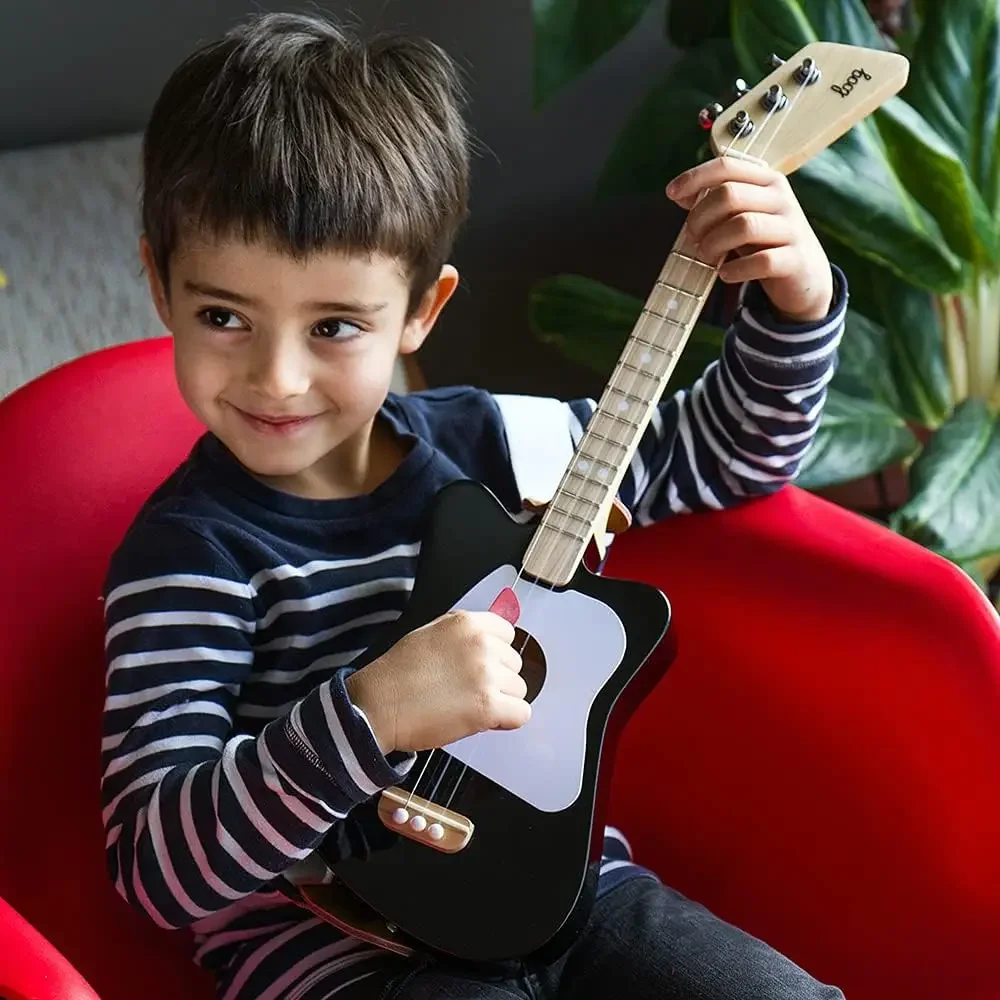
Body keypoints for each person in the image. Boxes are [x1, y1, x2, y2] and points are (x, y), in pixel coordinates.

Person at [100, 11, 849, 1000]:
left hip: (568, 892)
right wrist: (369, 713)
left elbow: (718, 456)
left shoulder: (493, 442)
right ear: (159, 283)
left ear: (421, 309)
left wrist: (794, 302)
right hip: (338, 955)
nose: (276, 378)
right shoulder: (187, 556)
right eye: (224, 316)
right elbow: (158, 866)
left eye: (333, 325)